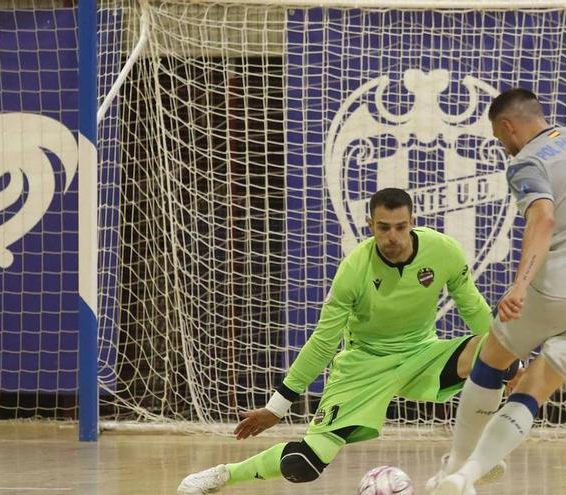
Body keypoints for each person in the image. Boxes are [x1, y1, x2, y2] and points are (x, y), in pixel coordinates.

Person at [178, 187, 514, 494]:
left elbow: (475, 310)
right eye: (383, 227)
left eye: (400, 226)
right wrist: (277, 406)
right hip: (363, 364)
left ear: (413, 222)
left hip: (421, 354)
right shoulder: (353, 271)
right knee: (304, 464)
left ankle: (464, 460)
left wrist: (511, 367)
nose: (392, 236)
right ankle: (223, 475)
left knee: (498, 347)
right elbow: (323, 343)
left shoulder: (444, 252)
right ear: (369, 225)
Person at [429, 88, 566, 495]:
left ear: (508, 126)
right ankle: (468, 477)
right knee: (536, 386)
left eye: (500, 139)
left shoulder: (528, 162)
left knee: (492, 360)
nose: (504, 148)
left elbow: (544, 219)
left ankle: (455, 466)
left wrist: (520, 285)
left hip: (558, 291)